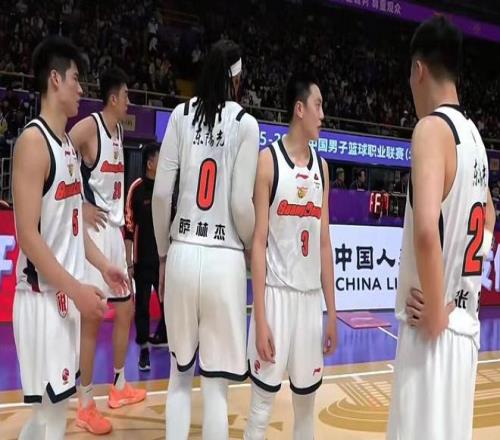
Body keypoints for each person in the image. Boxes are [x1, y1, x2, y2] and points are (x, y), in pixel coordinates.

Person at [12, 36, 127, 440]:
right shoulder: (33, 142)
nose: (81, 89)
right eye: (76, 79)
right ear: (55, 79)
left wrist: (104, 266)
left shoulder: (67, 147)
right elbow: (28, 236)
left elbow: (74, 228)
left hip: (63, 296)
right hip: (41, 297)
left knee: (50, 416)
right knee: (50, 419)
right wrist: (76, 290)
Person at [387, 16, 495, 440]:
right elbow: (489, 216)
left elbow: (426, 231)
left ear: (419, 70)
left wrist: (435, 307)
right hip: (465, 329)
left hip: (433, 331)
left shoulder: (431, 129)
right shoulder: (476, 139)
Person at [152, 39, 259, 439]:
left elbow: (161, 195)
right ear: (237, 80)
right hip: (224, 258)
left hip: (182, 250)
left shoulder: (180, 115)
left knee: (179, 378)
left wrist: (164, 254)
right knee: (216, 388)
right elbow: (241, 204)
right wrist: (250, 243)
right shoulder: (245, 123)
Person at [245, 73, 337, 439]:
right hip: (276, 298)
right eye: (318, 105)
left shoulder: (322, 169)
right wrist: (260, 317)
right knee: (260, 408)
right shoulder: (268, 162)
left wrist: (332, 314)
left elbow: (324, 242)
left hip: (310, 302)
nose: (323, 115)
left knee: (306, 409)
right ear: (299, 109)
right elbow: (258, 242)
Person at [69, 67, 146, 435]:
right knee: (93, 317)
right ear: (113, 98)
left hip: (114, 231)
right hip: (95, 232)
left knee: (126, 308)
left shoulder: (119, 131)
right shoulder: (90, 127)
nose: (129, 101)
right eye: (126, 95)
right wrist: (79, 203)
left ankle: (118, 385)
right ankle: (85, 403)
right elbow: (59, 152)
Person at [125, 142, 168, 372]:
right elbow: (129, 226)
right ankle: (143, 349)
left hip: (164, 260)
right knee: (141, 306)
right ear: (150, 163)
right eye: (160, 157)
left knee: (167, 303)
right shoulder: (136, 189)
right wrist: (129, 262)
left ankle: (163, 335)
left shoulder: (166, 189)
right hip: (142, 261)